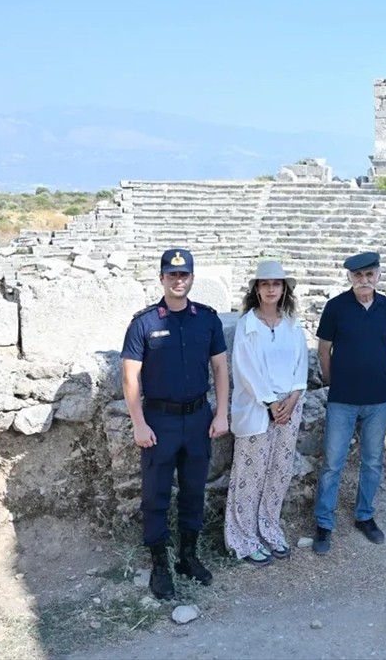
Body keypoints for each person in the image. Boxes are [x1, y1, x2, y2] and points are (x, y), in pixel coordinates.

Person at [121, 248, 229, 600]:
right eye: (172, 275)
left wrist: (222, 412)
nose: (178, 280)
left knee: (194, 491)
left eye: (184, 275)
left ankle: (187, 556)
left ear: (192, 278)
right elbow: (130, 378)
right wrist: (138, 423)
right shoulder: (145, 323)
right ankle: (159, 565)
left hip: (198, 419)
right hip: (159, 422)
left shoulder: (208, 320)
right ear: (162, 278)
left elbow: (221, 370)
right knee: (155, 496)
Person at [313, 251, 386, 554]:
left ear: (378, 275)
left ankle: (365, 515)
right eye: (357, 276)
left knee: (373, 461)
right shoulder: (336, 307)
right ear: (350, 278)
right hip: (342, 400)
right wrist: (333, 381)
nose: (364, 280)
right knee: (332, 464)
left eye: (369, 274)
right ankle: (324, 522)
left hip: (377, 399)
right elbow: (324, 350)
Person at [224, 260, 308, 566]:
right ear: (256, 289)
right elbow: (246, 370)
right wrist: (271, 403)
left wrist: (295, 395)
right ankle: (241, 539)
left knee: (278, 473)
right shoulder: (248, 325)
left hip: (290, 406)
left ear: (284, 288)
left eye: (276, 283)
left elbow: (301, 365)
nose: (271, 288)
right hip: (260, 410)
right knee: (249, 475)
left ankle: (269, 529)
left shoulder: (292, 324)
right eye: (265, 283)